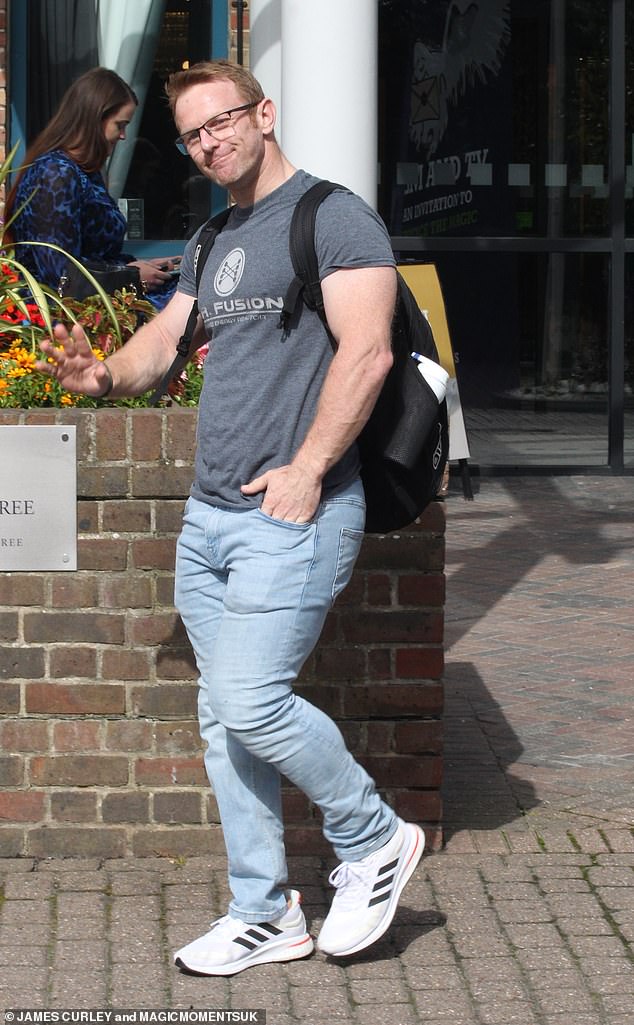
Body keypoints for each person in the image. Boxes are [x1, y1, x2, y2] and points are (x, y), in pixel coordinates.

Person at [36, 59, 425, 976]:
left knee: (252, 701)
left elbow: (366, 354)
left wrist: (308, 469)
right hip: (210, 521)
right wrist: (101, 377)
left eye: (224, 122)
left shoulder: (333, 216)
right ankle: (265, 910)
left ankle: (372, 837)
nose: (211, 143)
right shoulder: (214, 238)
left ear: (264, 113)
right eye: (194, 133)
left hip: (295, 510)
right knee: (225, 719)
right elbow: (168, 339)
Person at [5, 67, 179, 306]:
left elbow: (96, 257)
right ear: (95, 118)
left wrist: (141, 267)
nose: (123, 136)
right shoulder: (54, 173)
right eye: (120, 125)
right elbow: (59, 273)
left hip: (97, 303)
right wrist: (132, 277)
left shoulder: (86, 172)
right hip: (63, 315)